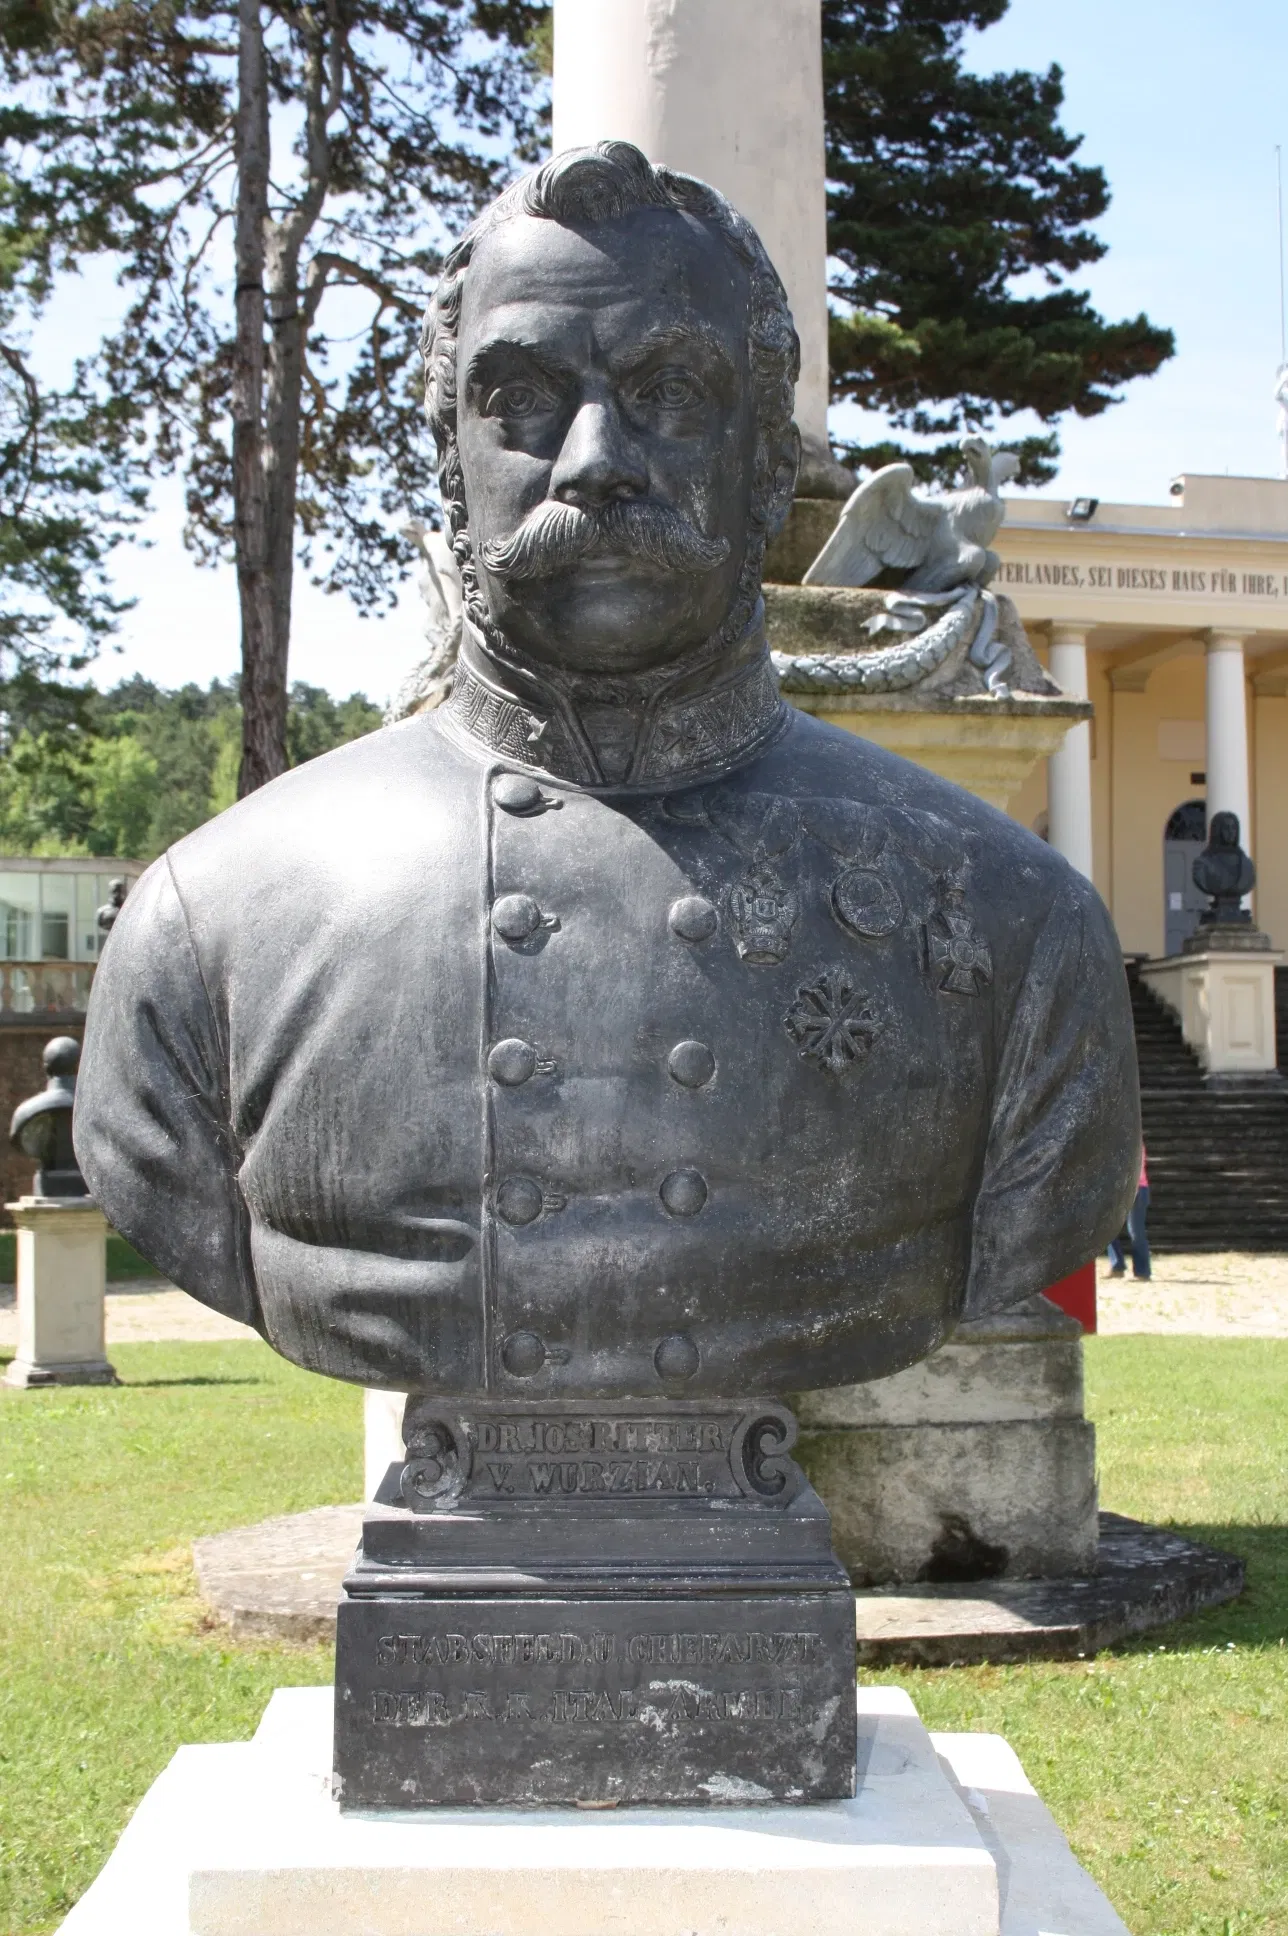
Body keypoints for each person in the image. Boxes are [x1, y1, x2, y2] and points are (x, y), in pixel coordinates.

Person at [71, 141, 1140, 1402]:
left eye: (668, 394)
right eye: (520, 397)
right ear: (448, 458)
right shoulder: (207, 929)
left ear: (760, 462)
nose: (592, 459)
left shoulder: (1017, 928)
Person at [1108, 1144, 1151, 1280]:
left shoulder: (1134, 1141)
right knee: (1107, 1229)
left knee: (1136, 1232)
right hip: (1120, 1189)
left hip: (1137, 1189)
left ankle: (1142, 1272)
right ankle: (1117, 1267)